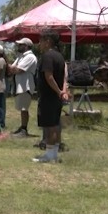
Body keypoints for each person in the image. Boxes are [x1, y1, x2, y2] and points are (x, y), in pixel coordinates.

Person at [33, 31, 69, 163]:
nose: (39, 44)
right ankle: (54, 153)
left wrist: (59, 91)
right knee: (55, 124)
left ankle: (49, 155)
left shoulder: (47, 56)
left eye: (41, 41)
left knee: (49, 127)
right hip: (56, 97)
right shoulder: (60, 56)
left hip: (48, 96)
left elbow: (49, 77)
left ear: (48, 41)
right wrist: (63, 91)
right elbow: (64, 77)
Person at [9, 37, 38, 137]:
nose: (18, 46)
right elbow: (12, 68)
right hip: (20, 84)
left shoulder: (30, 57)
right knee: (22, 108)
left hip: (26, 85)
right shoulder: (21, 57)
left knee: (24, 108)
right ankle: (22, 127)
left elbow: (18, 70)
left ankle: (24, 129)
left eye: (21, 45)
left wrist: (12, 68)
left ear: (26, 46)